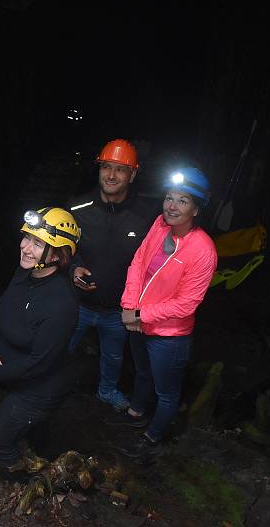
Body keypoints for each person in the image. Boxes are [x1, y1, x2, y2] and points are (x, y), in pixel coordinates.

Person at [112, 167, 218, 462]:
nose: (171, 206)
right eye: (169, 198)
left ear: (196, 209)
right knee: (142, 373)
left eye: (182, 201)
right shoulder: (159, 225)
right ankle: (136, 413)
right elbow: (138, 262)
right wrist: (129, 305)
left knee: (167, 392)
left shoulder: (203, 250)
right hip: (139, 323)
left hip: (169, 337)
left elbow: (186, 304)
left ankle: (153, 437)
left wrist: (139, 313)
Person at [0, 207, 80, 477]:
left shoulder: (61, 304)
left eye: (37, 243)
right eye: (26, 237)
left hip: (42, 386)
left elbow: (41, 362)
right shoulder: (23, 274)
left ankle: (35, 480)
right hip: (18, 370)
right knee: (34, 432)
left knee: (0, 443)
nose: (25, 247)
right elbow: (3, 315)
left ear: (58, 254)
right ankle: (39, 447)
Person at [66, 139, 156, 411]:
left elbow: (153, 262)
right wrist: (72, 268)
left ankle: (106, 391)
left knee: (113, 356)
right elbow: (62, 249)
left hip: (118, 308)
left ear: (133, 174)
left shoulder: (146, 216)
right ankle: (51, 387)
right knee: (61, 347)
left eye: (120, 169)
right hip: (78, 303)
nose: (112, 175)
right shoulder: (77, 208)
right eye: (107, 167)